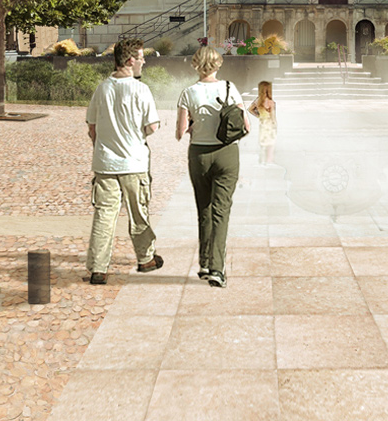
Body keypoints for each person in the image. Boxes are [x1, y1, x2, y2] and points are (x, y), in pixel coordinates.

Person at [83, 39, 161, 285]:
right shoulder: (141, 90)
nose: (144, 62)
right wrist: (137, 136)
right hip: (134, 164)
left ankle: (98, 268)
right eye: (141, 58)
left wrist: (103, 146)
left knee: (104, 216)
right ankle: (145, 258)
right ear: (130, 61)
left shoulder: (102, 88)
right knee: (139, 214)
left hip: (105, 164)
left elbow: (92, 128)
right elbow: (152, 126)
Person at [174, 48, 244, 288]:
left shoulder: (188, 93)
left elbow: (179, 133)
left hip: (199, 154)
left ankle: (204, 263)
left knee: (203, 207)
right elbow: (244, 124)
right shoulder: (229, 88)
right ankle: (217, 269)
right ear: (217, 65)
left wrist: (194, 125)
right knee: (221, 211)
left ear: (196, 65)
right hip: (227, 153)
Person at [252, 80, 278, 167]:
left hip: (262, 123)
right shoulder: (270, 102)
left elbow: (250, 109)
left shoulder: (258, 101)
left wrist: (259, 115)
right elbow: (273, 115)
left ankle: (261, 160)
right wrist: (275, 124)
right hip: (269, 123)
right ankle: (269, 160)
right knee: (271, 143)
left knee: (263, 143)